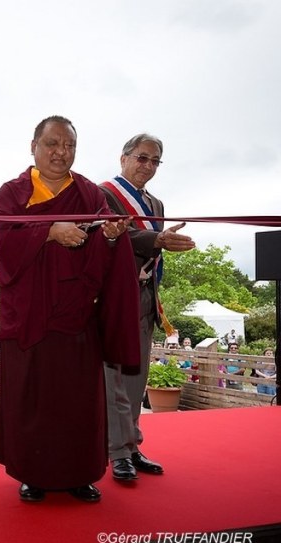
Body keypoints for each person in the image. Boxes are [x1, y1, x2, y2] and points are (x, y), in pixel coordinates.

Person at [0, 116, 139, 503]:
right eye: (52, 144)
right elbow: (5, 249)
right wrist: (49, 230)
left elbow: (101, 251)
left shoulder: (89, 194)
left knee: (77, 401)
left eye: (69, 146)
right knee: (33, 398)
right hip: (29, 315)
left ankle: (79, 473)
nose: (60, 153)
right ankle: (32, 473)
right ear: (34, 146)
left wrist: (107, 237)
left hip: (75, 315)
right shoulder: (12, 193)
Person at [99, 133, 195, 482]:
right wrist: (157, 239)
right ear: (123, 157)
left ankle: (133, 444)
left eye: (155, 160)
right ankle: (117, 452)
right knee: (115, 381)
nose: (148, 166)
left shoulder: (155, 204)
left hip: (145, 297)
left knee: (137, 379)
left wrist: (161, 245)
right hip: (114, 298)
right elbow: (114, 237)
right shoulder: (103, 193)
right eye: (142, 158)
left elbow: (154, 247)